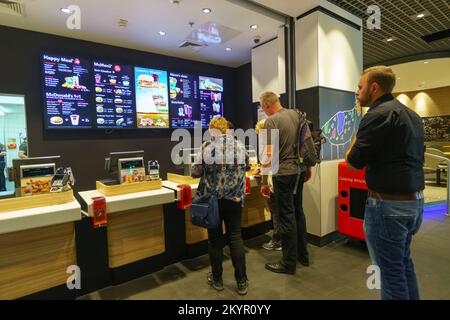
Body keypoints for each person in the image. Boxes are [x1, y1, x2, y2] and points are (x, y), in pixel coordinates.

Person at [345, 66, 425, 300]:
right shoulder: (413, 116)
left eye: (360, 87)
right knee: (403, 265)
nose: (357, 92)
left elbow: (352, 162)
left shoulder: (377, 115)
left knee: (390, 277)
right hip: (415, 206)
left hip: (387, 208)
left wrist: (357, 134)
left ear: (374, 87)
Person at [191, 116, 250, 295]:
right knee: (235, 238)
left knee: (215, 241)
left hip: (213, 202)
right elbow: (247, 166)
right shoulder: (240, 146)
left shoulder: (207, 147)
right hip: (235, 201)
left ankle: (217, 280)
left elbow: (195, 172)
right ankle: (241, 281)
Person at [259, 92, 311, 275]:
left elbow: (268, 155)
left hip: (283, 173)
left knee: (286, 217)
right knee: (298, 212)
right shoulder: (296, 114)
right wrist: (308, 168)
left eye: (261, 106)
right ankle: (303, 256)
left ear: (266, 105)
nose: (262, 110)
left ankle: (288, 264)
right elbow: (306, 143)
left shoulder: (271, 121)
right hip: (299, 170)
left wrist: (264, 181)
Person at [255, 119, 281, 251]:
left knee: (275, 212)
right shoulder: (278, 141)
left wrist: (263, 182)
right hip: (281, 178)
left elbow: (266, 162)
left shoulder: (268, 144)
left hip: (272, 181)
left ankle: (277, 240)